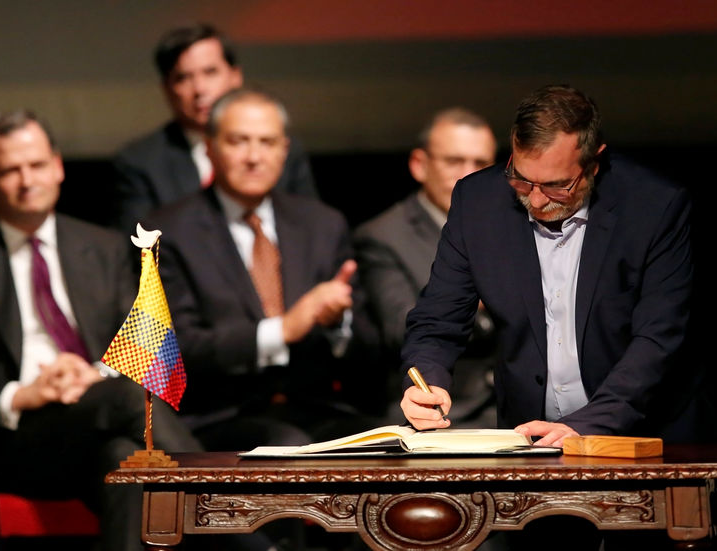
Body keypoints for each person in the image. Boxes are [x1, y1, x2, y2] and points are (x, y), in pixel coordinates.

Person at [399, 84, 713, 448]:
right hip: (528, 440)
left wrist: (588, 423)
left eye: (556, 186)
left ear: (594, 162)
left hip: (646, 435)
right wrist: (426, 381)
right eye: (521, 178)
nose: (535, 199)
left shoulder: (653, 206)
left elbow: (659, 337)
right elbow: (437, 320)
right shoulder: (477, 202)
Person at [0, 110, 203, 551]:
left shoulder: (102, 247)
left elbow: (146, 345)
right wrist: (19, 395)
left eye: (37, 165)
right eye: (11, 170)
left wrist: (94, 375)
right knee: (128, 398)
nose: (28, 180)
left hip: (99, 420)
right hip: (17, 435)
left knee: (128, 465)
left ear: (59, 166)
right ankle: (237, 514)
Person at [144, 86, 380, 452]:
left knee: (390, 441)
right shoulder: (169, 232)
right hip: (220, 416)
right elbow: (178, 349)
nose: (254, 157)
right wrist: (282, 330)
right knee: (288, 446)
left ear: (284, 151)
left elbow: (370, 344)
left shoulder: (321, 224)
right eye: (239, 141)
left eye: (267, 143)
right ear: (209, 147)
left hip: (316, 408)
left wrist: (336, 323)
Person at [353, 107, 499, 426]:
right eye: (454, 161)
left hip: (517, 404)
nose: (468, 174)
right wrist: (479, 296)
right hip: (443, 408)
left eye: (481, 163)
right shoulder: (383, 236)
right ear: (420, 165)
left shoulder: (511, 226)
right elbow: (402, 327)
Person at [111, 23, 317, 235]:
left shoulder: (279, 150)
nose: (200, 89)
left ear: (236, 76)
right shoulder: (141, 162)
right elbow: (139, 249)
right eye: (183, 77)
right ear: (166, 88)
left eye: (210, 72)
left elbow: (311, 229)